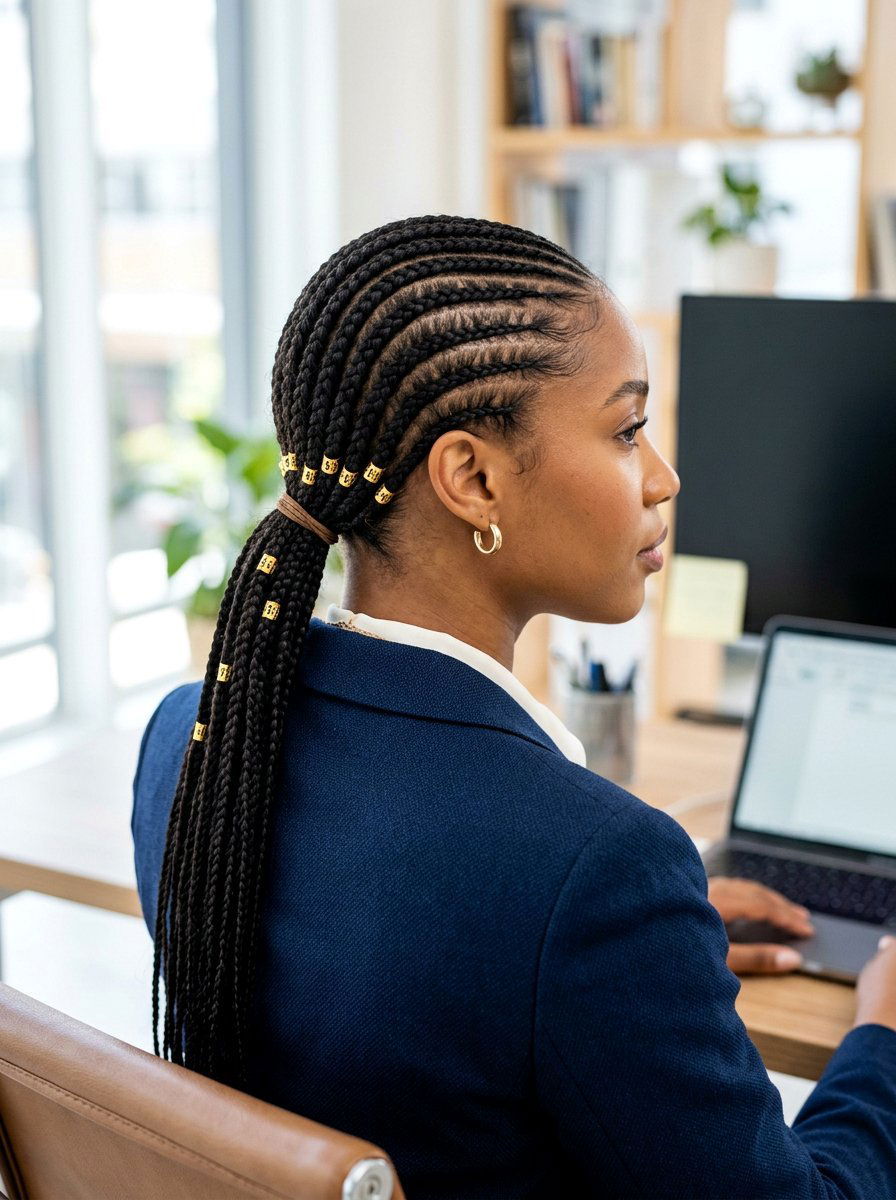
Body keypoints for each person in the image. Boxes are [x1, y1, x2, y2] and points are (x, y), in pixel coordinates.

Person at [131, 214, 896, 1199]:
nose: (662, 477)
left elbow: (406, 944)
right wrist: (877, 1039)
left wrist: (635, 952)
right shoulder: (592, 864)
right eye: (625, 430)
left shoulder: (188, 740)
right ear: (473, 478)